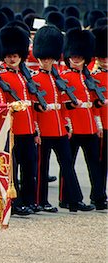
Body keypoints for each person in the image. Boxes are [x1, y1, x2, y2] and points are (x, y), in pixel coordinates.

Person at [31, 26, 93, 212]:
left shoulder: (58, 77)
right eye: (43, 58)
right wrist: (36, 130)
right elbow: (34, 107)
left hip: (59, 129)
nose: (46, 62)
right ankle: (40, 201)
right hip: (44, 128)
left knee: (68, 165)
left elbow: (63, 104)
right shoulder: (34, 79)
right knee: (42, 168)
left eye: (49, 58)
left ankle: (75, 200)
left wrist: (67, 123)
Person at [60, 28, 106, 210]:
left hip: (89, 127)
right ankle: (68, 198)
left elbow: (94, 104)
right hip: (74, 127)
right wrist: (67, 125)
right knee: (68, 166)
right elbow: (64, 104)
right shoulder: (64, 77)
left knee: (95, 164)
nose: (77, 59)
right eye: (74, 56)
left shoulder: (88, 77)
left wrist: (98, 125)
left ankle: (99, 196)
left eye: (80, 56)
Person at [0, 25, 38, 215]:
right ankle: (15, 202)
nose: (12, 59)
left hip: (28, 128)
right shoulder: (1, 76)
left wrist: (36, 129)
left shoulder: (25, 75)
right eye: (8, 56)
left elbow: (33, 103)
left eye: (15, 56)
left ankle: (30, 200)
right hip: (12, 129)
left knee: (30, 167)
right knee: (12, 171)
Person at [91, 25, 108, 209]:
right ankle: (99, 195)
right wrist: (98, 124)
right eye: (102, 58)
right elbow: (94, 104)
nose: (104, 61)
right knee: (101, 165)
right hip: (103, 124)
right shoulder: (95, 77)